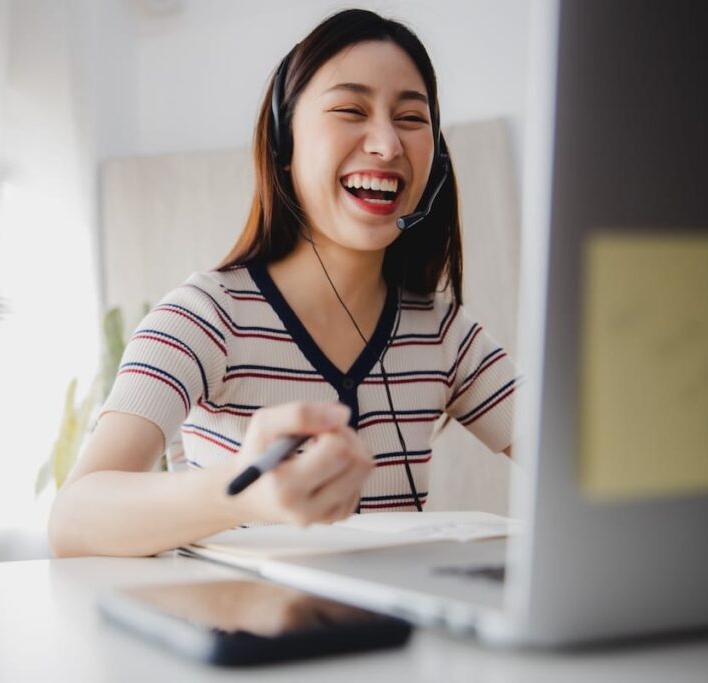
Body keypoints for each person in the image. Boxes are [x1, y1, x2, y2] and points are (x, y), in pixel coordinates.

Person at [48, 8, 517, 558]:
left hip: (391, 644)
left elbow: (590, 463)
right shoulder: (204, 317)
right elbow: (72, 521)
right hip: (243, 637)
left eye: (412, 119)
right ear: (284, 144)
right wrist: (242, 493)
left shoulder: (444, 335)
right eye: (350, 109)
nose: (387, 144)